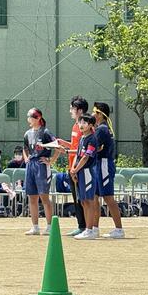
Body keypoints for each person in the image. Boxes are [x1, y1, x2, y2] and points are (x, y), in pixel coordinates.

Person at [23, 108, 58, 236]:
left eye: (31, 117)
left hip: (42, 165)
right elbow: (25, 148)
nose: (28, 119)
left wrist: (51, 160)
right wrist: (26, 158)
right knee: (32, 197)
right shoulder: (27, 133)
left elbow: (57, 146)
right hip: (31, 165)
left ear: (38, 118)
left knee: (44, 196)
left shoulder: (45, 132)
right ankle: (35, 227)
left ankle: (49, 226)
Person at [57, 96, 88, 237]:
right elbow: (75, 146)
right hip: (72, 166)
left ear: (80, 110)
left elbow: (83, 151)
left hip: (79, 167)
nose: (70, 111)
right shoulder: (75, 126)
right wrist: (63, 143)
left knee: (83, 199)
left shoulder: (84, 127)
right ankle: (81, 225)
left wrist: (67, 151)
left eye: (72, 108)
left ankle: (86, 226)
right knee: (76, 198)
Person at [93, 102, 125, 239]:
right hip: (99, 164)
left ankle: (119, 229)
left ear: (100, 114)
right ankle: (94, 228)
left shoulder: (102, 129)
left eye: (95, 112)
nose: (92, 114)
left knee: (108, 197)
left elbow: (95, 148)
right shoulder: (102, 128)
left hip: (104, 164)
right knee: (95, 197)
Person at [70, 114, 100, 240]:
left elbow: (86, 157)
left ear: (91, 125)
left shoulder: (92, 139)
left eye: (84, 122)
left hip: (87, 172)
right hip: (80, 172)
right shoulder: (82, 138)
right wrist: (73, 169)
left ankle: (90, 230)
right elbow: (78, 155)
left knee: (89, 201)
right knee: (83, 201)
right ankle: (88, 229)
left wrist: (76, 169)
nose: (81, 125)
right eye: (80, 122)